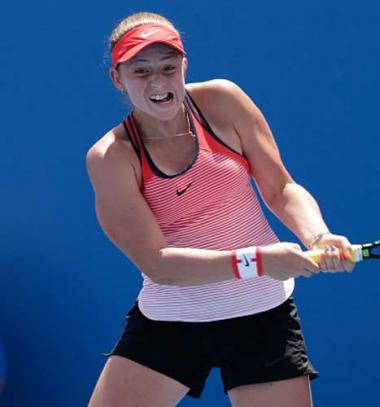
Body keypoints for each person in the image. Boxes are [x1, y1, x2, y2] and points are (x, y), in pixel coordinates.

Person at [86, 11, 354, 407]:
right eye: (141, 71)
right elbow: (157, 263)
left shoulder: (223, 102)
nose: (158, 82)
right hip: (170, 323)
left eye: (167, 67)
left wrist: (318, 235)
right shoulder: (111, 157)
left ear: (184, 66)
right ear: (118, 79)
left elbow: (281, 188)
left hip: (262, 315)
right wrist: (257, 261)